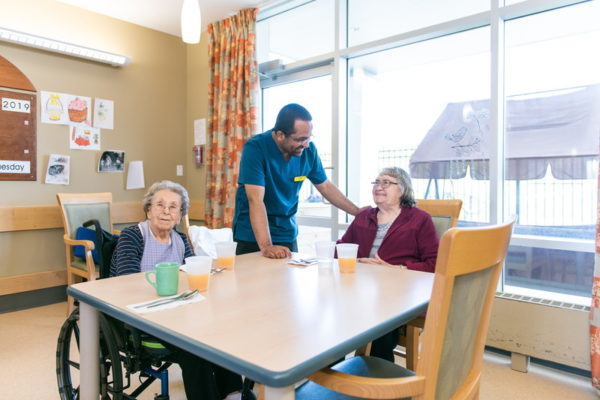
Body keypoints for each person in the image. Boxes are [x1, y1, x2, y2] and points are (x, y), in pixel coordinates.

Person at [110, 180, 244, 400]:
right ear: (148, 209)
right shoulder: (133, 236)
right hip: (143, 319)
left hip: (181, 316)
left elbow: (193, 275)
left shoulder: (181, 240)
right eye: (159, 204)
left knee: (220, 334)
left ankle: (233, 394)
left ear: (180, 214)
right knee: (195, 350)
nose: (165, 211)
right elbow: (126, 283)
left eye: (173, 207)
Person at [337, 167, 439, 361]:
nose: (379, 187)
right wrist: (358, 261)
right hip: (359, 286)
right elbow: (341, 248)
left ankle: (378, 377)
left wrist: (397, 268)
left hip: (400, 291)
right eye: (376, 182)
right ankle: (330, 371)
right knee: (330, 311)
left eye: (386, 182)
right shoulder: (364, 216)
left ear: (402, 189)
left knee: (382, 317)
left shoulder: (419, 219)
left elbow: (435, 263)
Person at [233, 103, 360, 258]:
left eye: (308, 138)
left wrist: (357, 212)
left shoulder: (308, 150)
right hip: (253, 235)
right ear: (280, 135)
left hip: (286, 232)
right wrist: (267, 247)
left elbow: (325, 186)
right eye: (300, 139)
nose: (306, 144)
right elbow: (255, 200)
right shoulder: (256, 148)